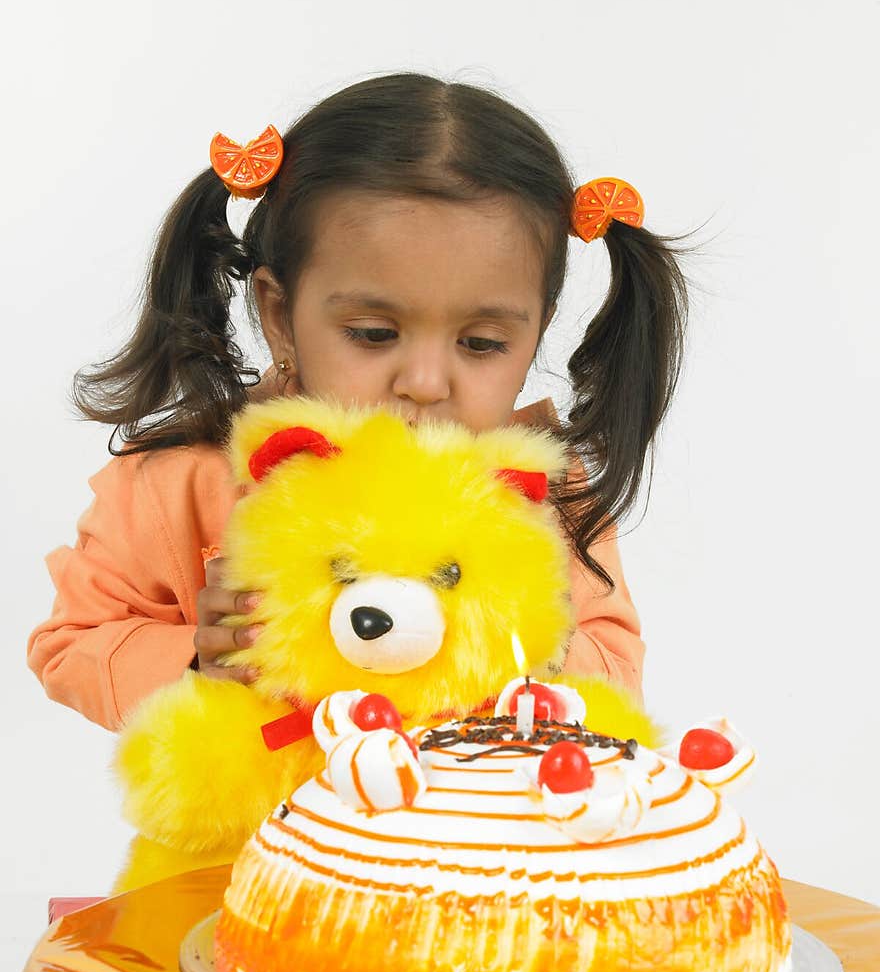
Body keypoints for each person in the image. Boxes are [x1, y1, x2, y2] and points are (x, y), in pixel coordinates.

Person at [27, 72, 693, 733]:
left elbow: (618, 671)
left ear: (537, 332)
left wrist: (535, 644)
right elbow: (71, 641)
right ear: (281, 315)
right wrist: (195, 658)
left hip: (471, 834)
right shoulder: (182, 479)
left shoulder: (544, 492)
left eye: (483, 343)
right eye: (374, 334)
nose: (427, 382)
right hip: (261, 836)